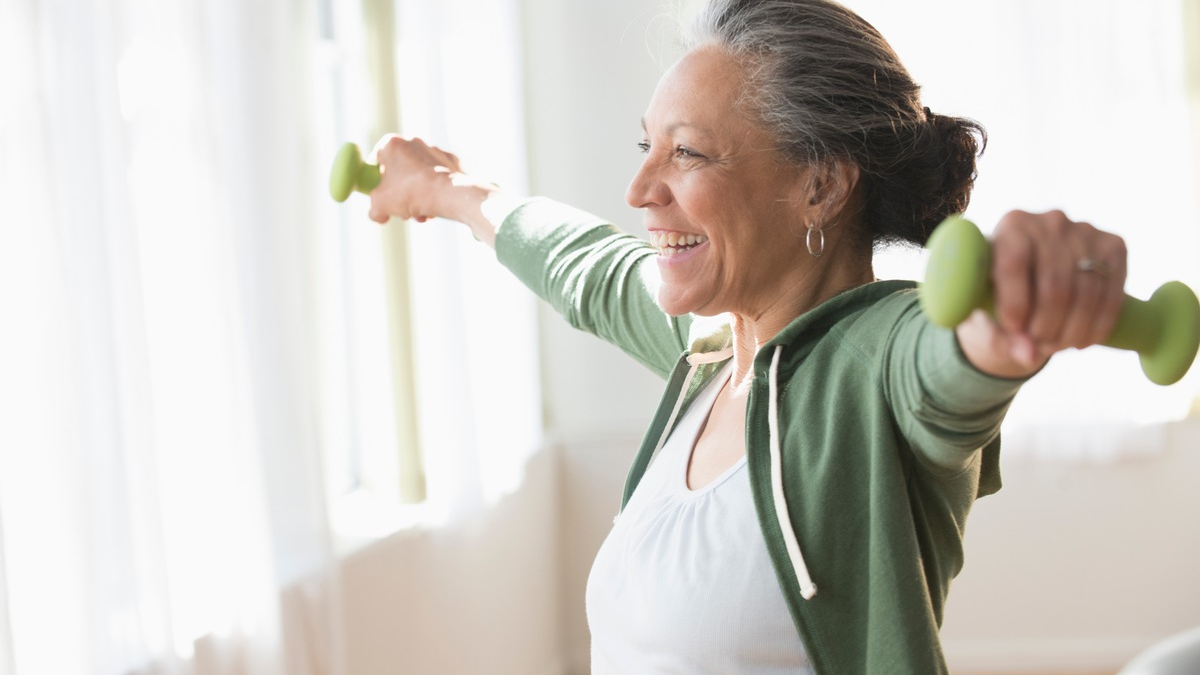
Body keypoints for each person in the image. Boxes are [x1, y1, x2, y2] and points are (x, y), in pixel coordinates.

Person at [363, 1, 1128, 672]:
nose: (639, 190)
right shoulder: (714, 351)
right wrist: (446, 191)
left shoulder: (873, 364)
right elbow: (587, 268)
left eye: (688, 152)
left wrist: (1013, 315)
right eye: (647, 148)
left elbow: (946, 360)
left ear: (819, 186)